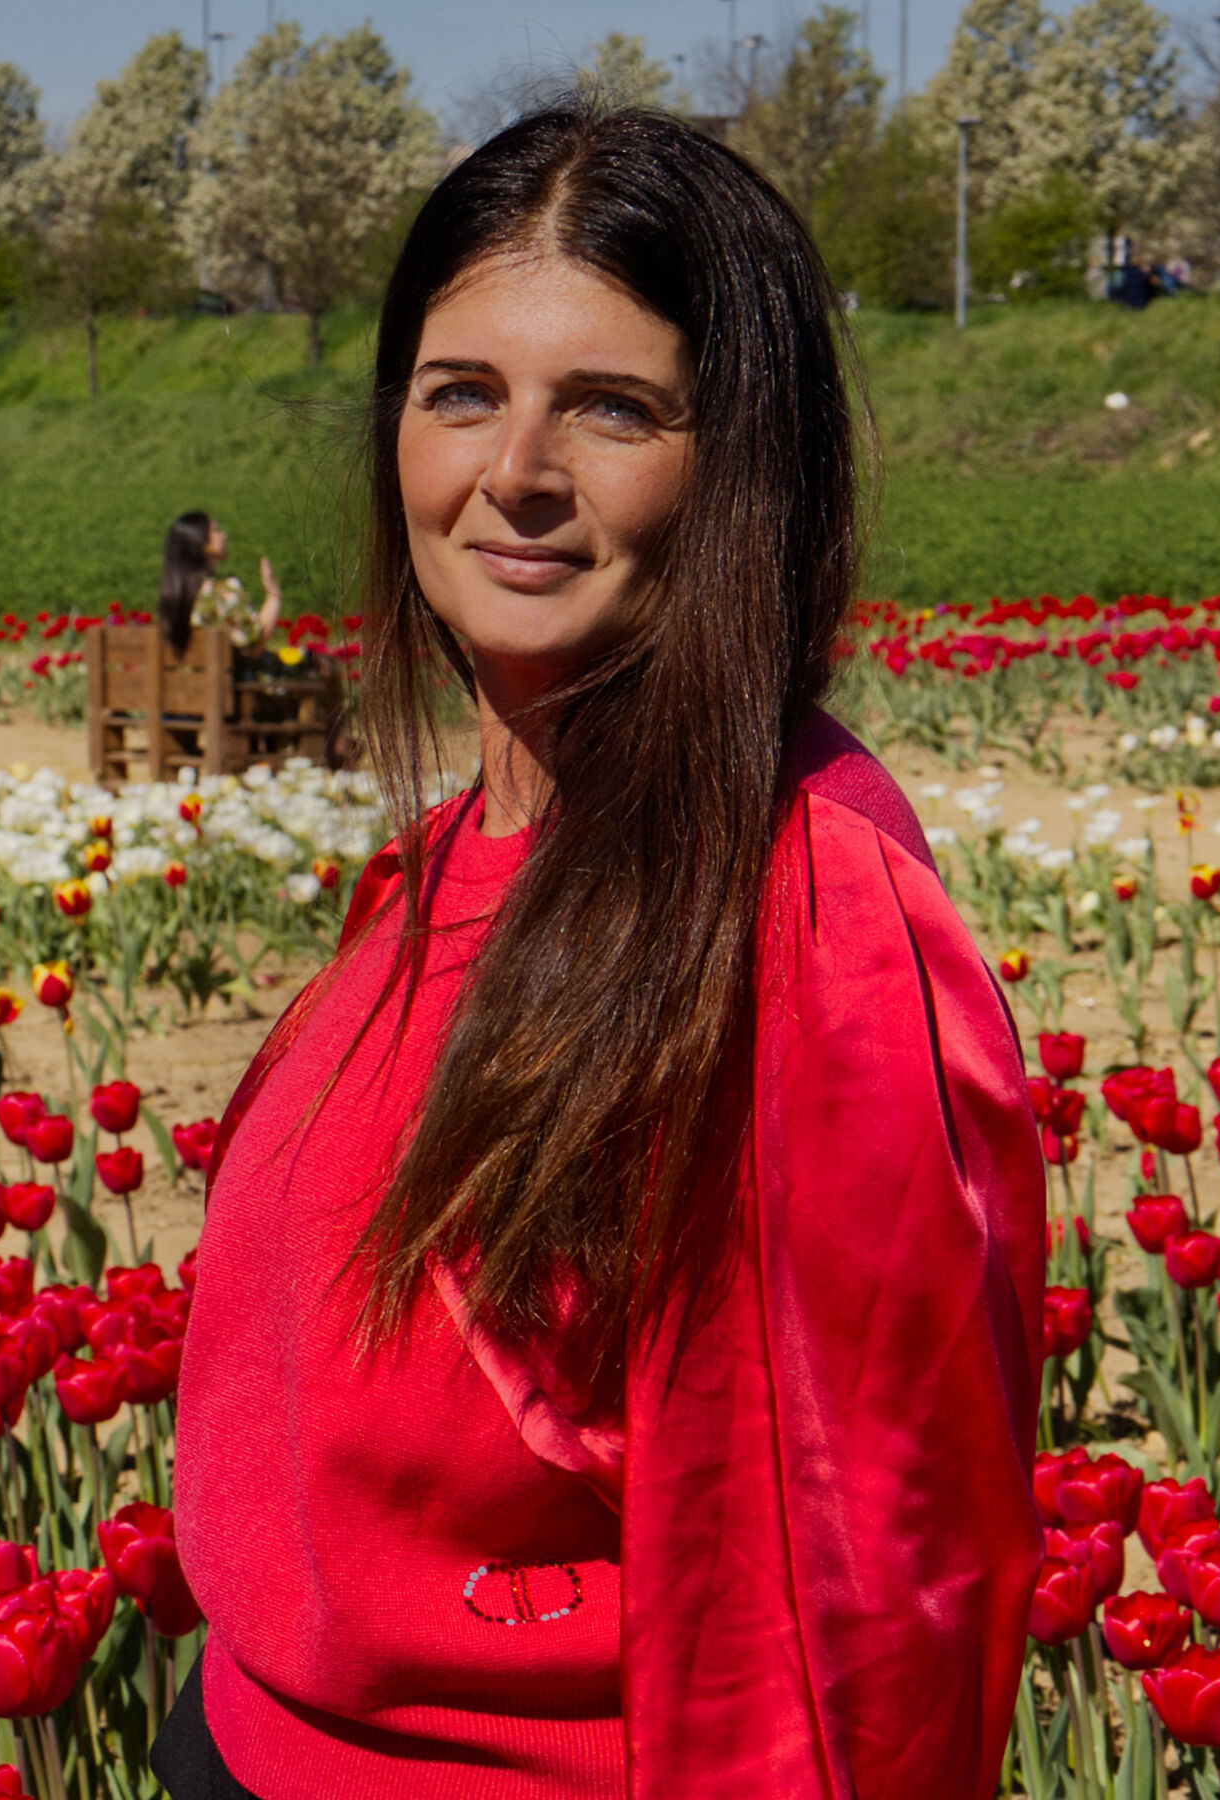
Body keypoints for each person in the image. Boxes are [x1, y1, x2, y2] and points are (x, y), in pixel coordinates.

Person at [162, 101, 1044, 1800]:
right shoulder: (443, 868)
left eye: (615, 410)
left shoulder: (797, 916)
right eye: (462, 393)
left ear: (741, 464)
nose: (518, 474)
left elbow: (854, 1627)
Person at [159, 511, 282, 656]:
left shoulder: (173, 595)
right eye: (216, 531)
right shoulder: (222, 593)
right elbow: (253, 648)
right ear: (202, 542)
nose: (224, 535)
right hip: (225, 677)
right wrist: (273, 595)